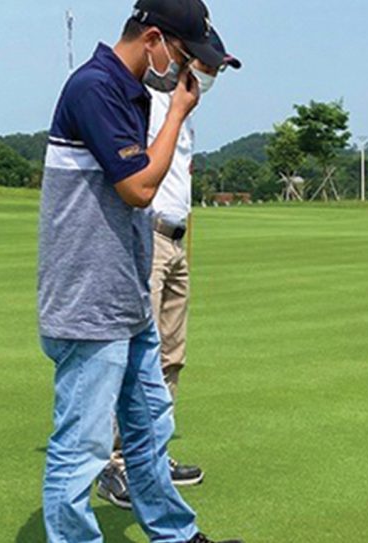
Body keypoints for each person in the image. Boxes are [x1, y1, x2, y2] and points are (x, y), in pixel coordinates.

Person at [36, 0, 241, 541]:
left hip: (125, 298)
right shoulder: (95, 88)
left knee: (150, 429)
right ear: (152, 39)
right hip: (87, 302)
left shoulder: (126, 91)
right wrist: (176, 113)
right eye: (179, 53)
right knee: (81, 448)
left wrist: (171, 112)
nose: (181, 68)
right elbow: (138, 187)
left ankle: (174, 534)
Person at [96, 21, 242, 511]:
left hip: (178, 240)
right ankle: (116, 464)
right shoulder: (150, 97)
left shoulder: (185, 109)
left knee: (171, 355)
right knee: (137, 354)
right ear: (182, 56)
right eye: (207, 64)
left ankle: (151, 456)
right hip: (148, 236)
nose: (211, 75)